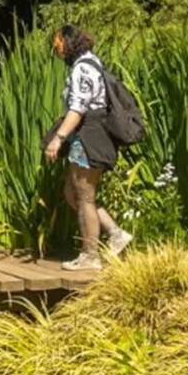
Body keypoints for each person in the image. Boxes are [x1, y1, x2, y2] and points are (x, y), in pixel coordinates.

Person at [44, 25, 133, 271]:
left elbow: (78, 108)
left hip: (88, 137)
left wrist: (58, 138)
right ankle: (115, 233)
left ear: (69, 43)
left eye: (59, 42)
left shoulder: (83, 68)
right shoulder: (91, 62)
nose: (56, 47)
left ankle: (90, 255)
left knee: (84, 195)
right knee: (72, 193)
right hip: (86, 136)